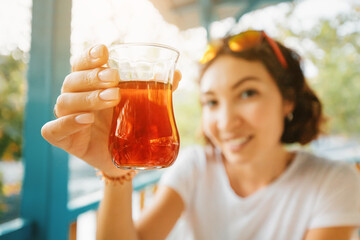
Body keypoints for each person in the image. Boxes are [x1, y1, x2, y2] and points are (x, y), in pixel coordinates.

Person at [41, 30, 360, 240]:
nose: (225, 121)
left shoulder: (334, 181)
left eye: (247, 93)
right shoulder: (194, 167)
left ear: (287, 99)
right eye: (211, 101)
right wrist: (114, 171)